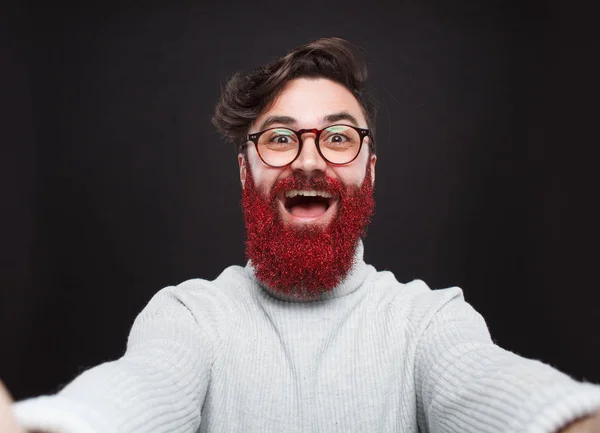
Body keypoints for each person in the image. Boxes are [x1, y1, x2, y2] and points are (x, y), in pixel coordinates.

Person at [2, 37, 600, 433]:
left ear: (369, 168)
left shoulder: (430, 320)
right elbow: (136, 396)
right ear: (246, 168)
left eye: (338, 138)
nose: (309, 161)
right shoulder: (187, 315)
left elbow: (497, 391)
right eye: (281, 137)